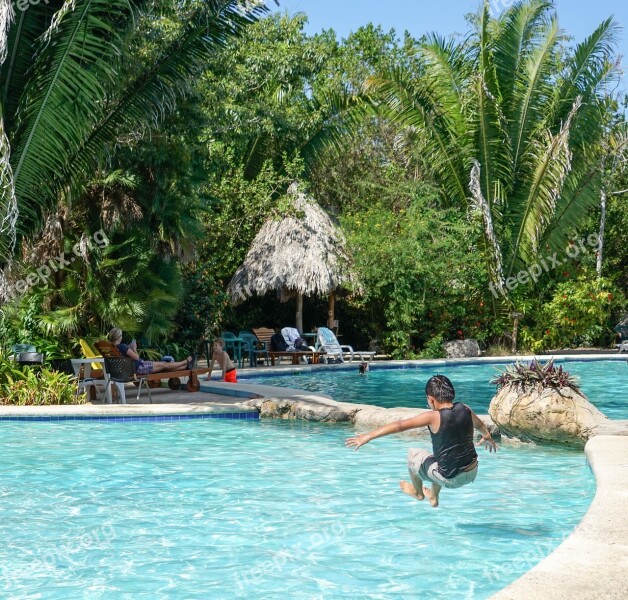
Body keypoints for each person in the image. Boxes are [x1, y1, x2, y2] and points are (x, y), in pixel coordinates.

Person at [345, 374, 497, 508]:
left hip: (452, 479)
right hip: (473, 471)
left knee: (413, 454)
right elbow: (481, 425)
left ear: (431, 399)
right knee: (435, 459)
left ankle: (418, 492)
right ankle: (434, 496)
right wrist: (487, 437)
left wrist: (368, 436)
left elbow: (399, 426)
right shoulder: (465, 408)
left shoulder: (433, 416)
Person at [107, 327, 195, 375]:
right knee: (164, 364)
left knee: (164, 366)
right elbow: (137, 358)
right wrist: (134, 348)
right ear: (119, 336)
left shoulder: (112, 348)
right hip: (139, 367)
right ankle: (185, 361)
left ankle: (185, 367)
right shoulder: (122, 347)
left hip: (134, 368)